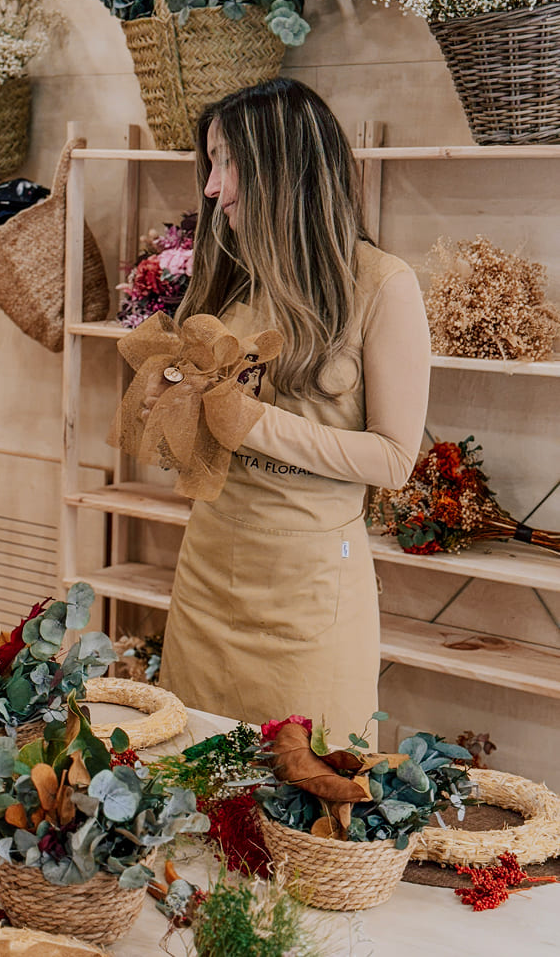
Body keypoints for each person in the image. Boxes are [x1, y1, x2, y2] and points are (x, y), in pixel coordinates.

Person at [157, 77, 430, 742]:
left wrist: (253, 422)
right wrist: (168, 406)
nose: (212, 188)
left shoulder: (383, 286)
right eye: (210, 165)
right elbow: (197, 443)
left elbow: (394, 459)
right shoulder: (229, 279)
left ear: (283, 168)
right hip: (205, 575)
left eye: (227, 163)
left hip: (309, 599)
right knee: (189, 777)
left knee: (306, 788)